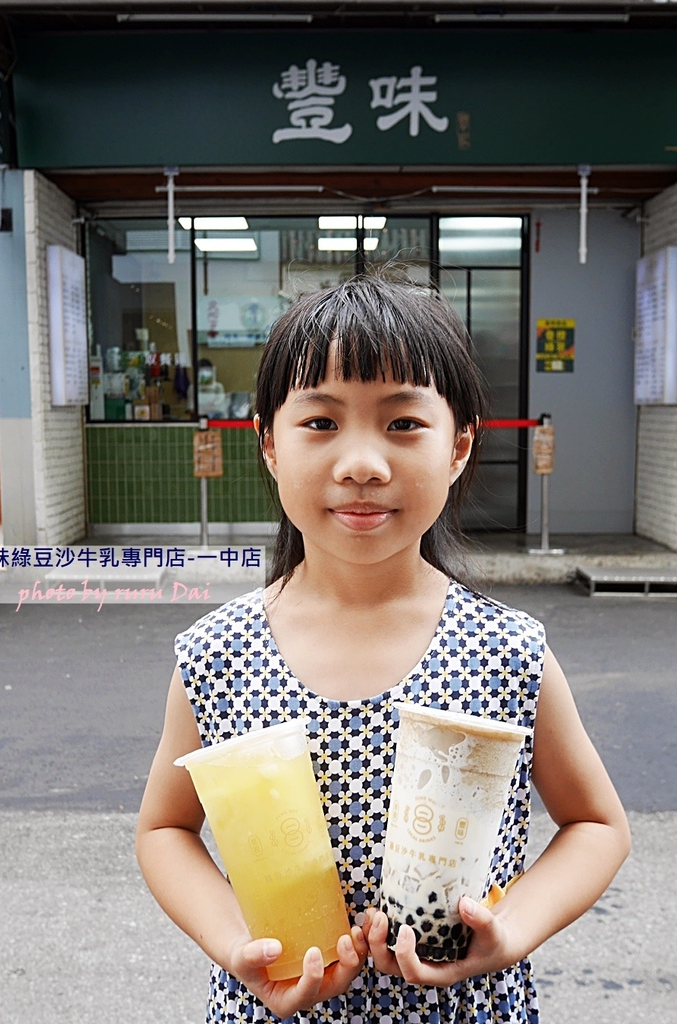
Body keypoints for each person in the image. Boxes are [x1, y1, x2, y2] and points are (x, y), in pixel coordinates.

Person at [135, 274, 631, 1024]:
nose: (361, 463)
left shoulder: (506, 651)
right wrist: (234, 938)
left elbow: (597, 826)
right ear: (268, 443)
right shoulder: (217, 653)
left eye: (402, 424)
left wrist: (513, 930)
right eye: (320, 424)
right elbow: (164, 829)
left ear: (459, 445)